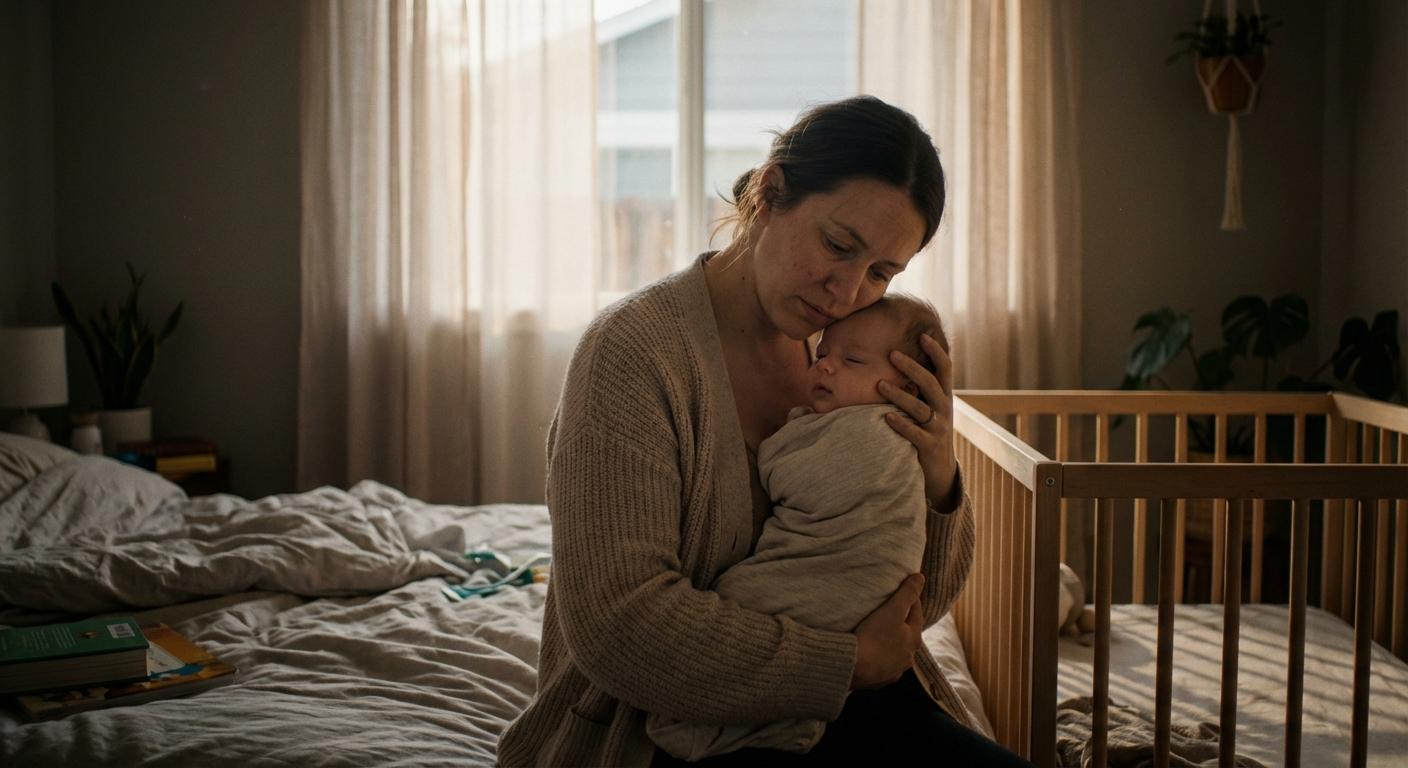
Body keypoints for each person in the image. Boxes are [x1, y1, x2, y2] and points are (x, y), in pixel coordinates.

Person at [498, 95, 1031, 767]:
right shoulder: (634, 352)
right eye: (838, 246)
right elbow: (619, 626)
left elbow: (911, 604)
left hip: (846, 708)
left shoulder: (847, 357)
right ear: (769, 193)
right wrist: (843, 662)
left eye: (881, 273)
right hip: (659, 734)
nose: (846, 291)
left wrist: (938, 476)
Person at [645, 295, 963, 761]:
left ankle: (725, 730)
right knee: (740, 603)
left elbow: (924, 603)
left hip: (861, 632)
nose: (827, 367)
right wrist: (853, 662)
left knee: (746, 594)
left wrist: (941, 477)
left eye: (882, 271)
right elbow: (631, 623)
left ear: (909, 387)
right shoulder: (644, 352)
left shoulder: (878, 433)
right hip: (828, 671)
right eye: (822, 356)